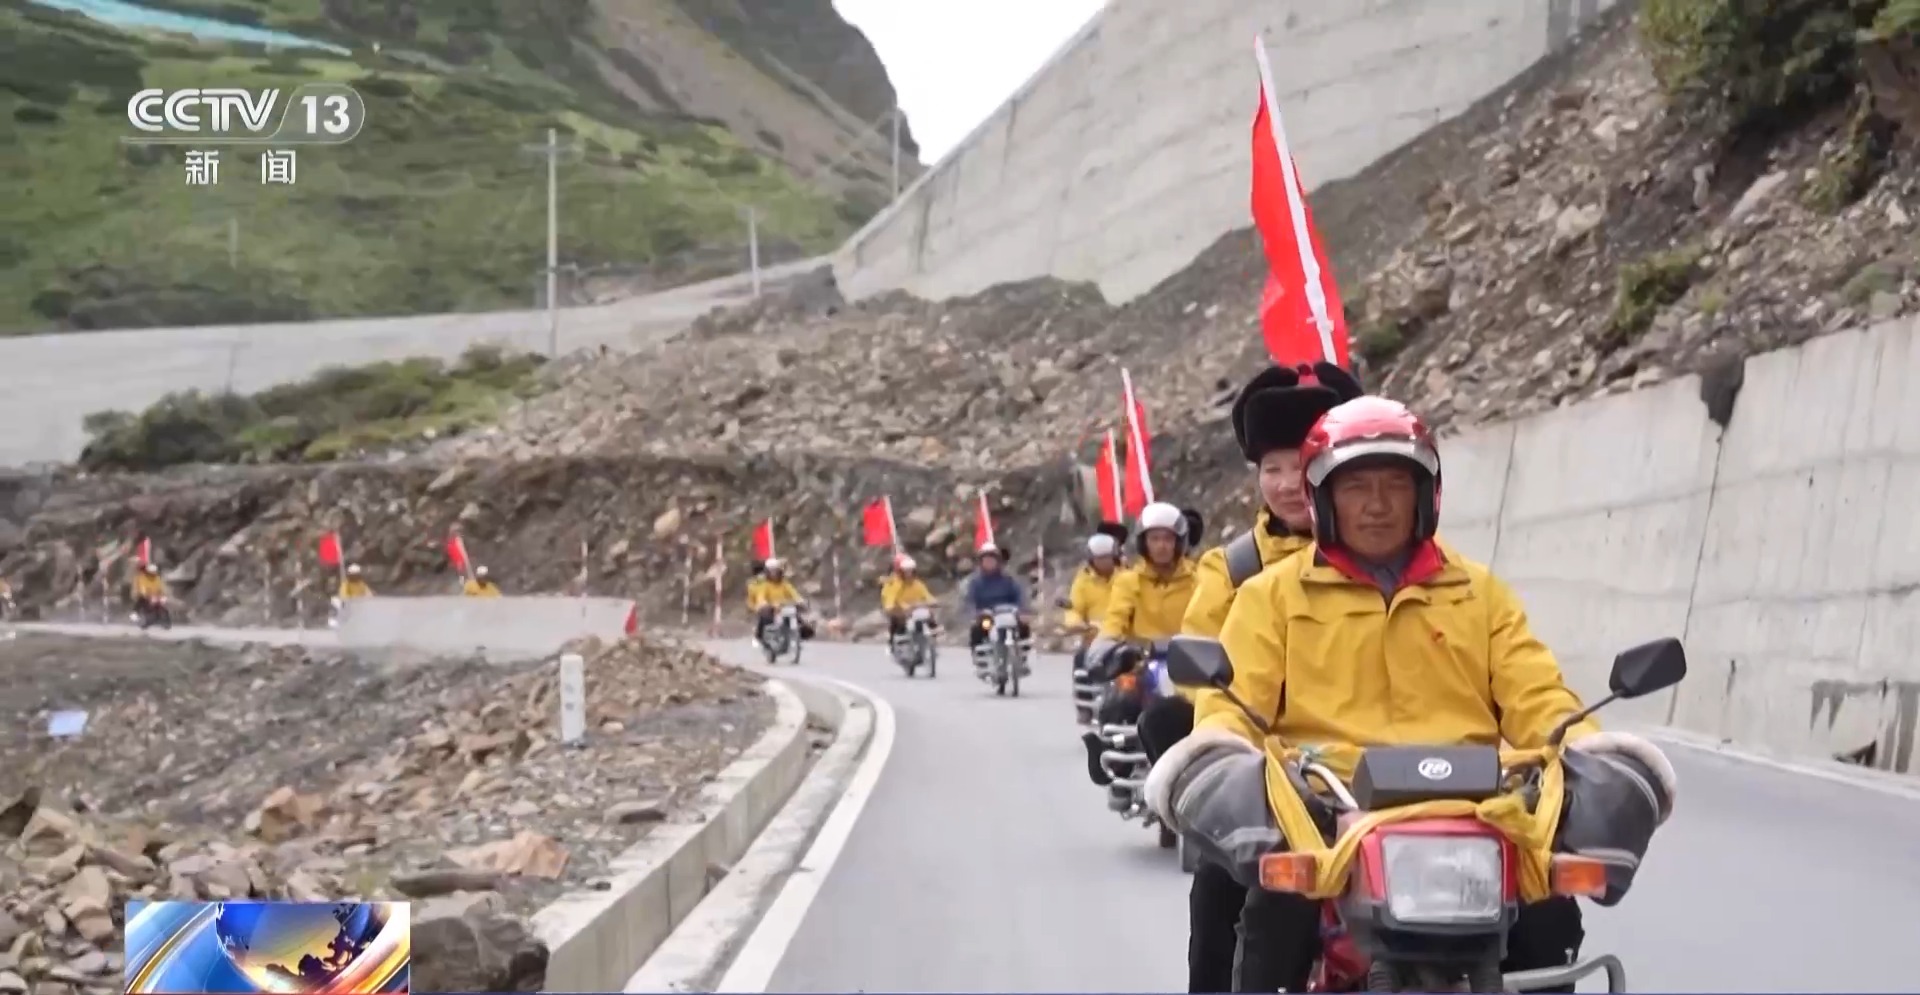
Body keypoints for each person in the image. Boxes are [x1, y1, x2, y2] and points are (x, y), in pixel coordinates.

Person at [1146, 396, 1679, 993]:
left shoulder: (1479, 592)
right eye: (1356, 487)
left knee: (1549, 914)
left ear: (1425, 493)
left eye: (1395, 485)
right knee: (1262, 907)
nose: (1377, 505)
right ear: (1325, 498)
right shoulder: (1269, 596)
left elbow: (1539, 697)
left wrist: (1592, 751)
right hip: (1325, 812)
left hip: (1475, 807)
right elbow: (1231, 704)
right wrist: (1223, 753)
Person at [1168, 362, 1364, 994]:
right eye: (1271, 468)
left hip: (1398, 778)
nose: (1287, 484)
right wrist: (1241, 746)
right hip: (1283, 778)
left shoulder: (1418, 568)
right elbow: (1204, 678)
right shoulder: (1235, 570)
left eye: (1303, 464)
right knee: (1221, 887)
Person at [1080, 502, 1198, 780]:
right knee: (1120, 698)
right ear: (1143, 542)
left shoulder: (1199, 579)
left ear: (1179, 542)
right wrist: (1106, 647)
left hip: (1191, 665)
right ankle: (1114, 762)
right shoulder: (1128, 581)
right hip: (1142, 661)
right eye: (1154, 538)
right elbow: (1115, 620)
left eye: (1168, 538)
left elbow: (1215, 618)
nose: (1161, 546)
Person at [963, 542, 1031, 675]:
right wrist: (976, 613)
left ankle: (1022, 659)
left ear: (998, 561)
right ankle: (981, 662)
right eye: (986, 559)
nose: (989, 562)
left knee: (1024, 626)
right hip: (987, 616)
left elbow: (1020, 595)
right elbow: (970, 601)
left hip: (1008, 614)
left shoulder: (1008, 580)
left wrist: (1023, 610)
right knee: (977, 630)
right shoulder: (975, 582)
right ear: (981, 562)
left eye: (992, 559)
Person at [750, 558, 810, 643]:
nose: (774, 573)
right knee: (765, 617)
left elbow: (794, 594)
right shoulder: (764, 584)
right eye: (771, 571)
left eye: (775, 570)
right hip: (771, 608)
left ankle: (800, 634)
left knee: (798, 618)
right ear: (767, 572)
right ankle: (760, 635)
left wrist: (800, 601)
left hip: (784, 607)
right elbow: (761, 597)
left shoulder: (785, 584)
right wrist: (765, 603)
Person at [880, 555, 937, 644]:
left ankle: (932, 636)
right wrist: (892, 607)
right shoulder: (895, 584)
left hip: (915, 609)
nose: (909, 574)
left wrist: (933, 602)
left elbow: (927, 596)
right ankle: (892, 640)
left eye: (911, 571)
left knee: (929, 614)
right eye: (906, 571)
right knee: (897, 620)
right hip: (901, 610)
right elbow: (890, 599)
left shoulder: (917, 584)